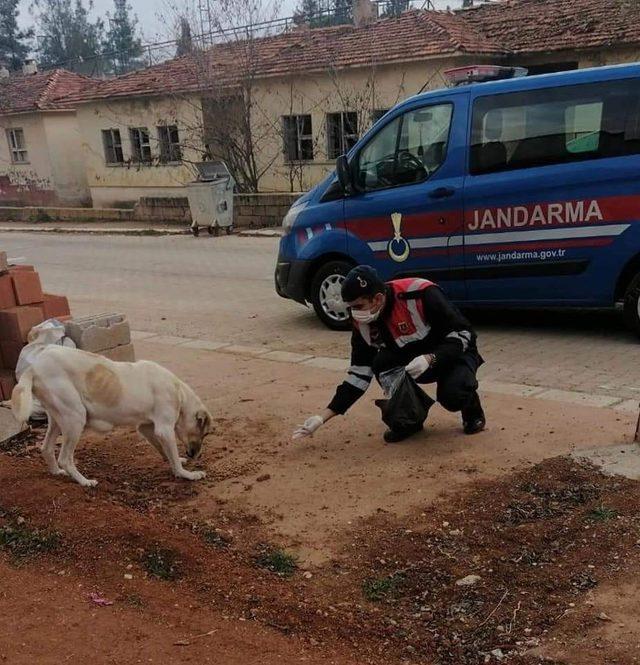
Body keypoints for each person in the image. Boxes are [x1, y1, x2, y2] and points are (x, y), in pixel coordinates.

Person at [293, 265, 486, 443]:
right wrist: (322, 417)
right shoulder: (363, 324)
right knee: (381, 364)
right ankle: (409, 420)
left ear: (377, 298)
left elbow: (465, 333)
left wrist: (432, 358)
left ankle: (473, 412)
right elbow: (359, 375)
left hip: (454, 352)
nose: (354, 313)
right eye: (350, 307)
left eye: (358, 306)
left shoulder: (420, 293)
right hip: (414, 360)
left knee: (452, 396)